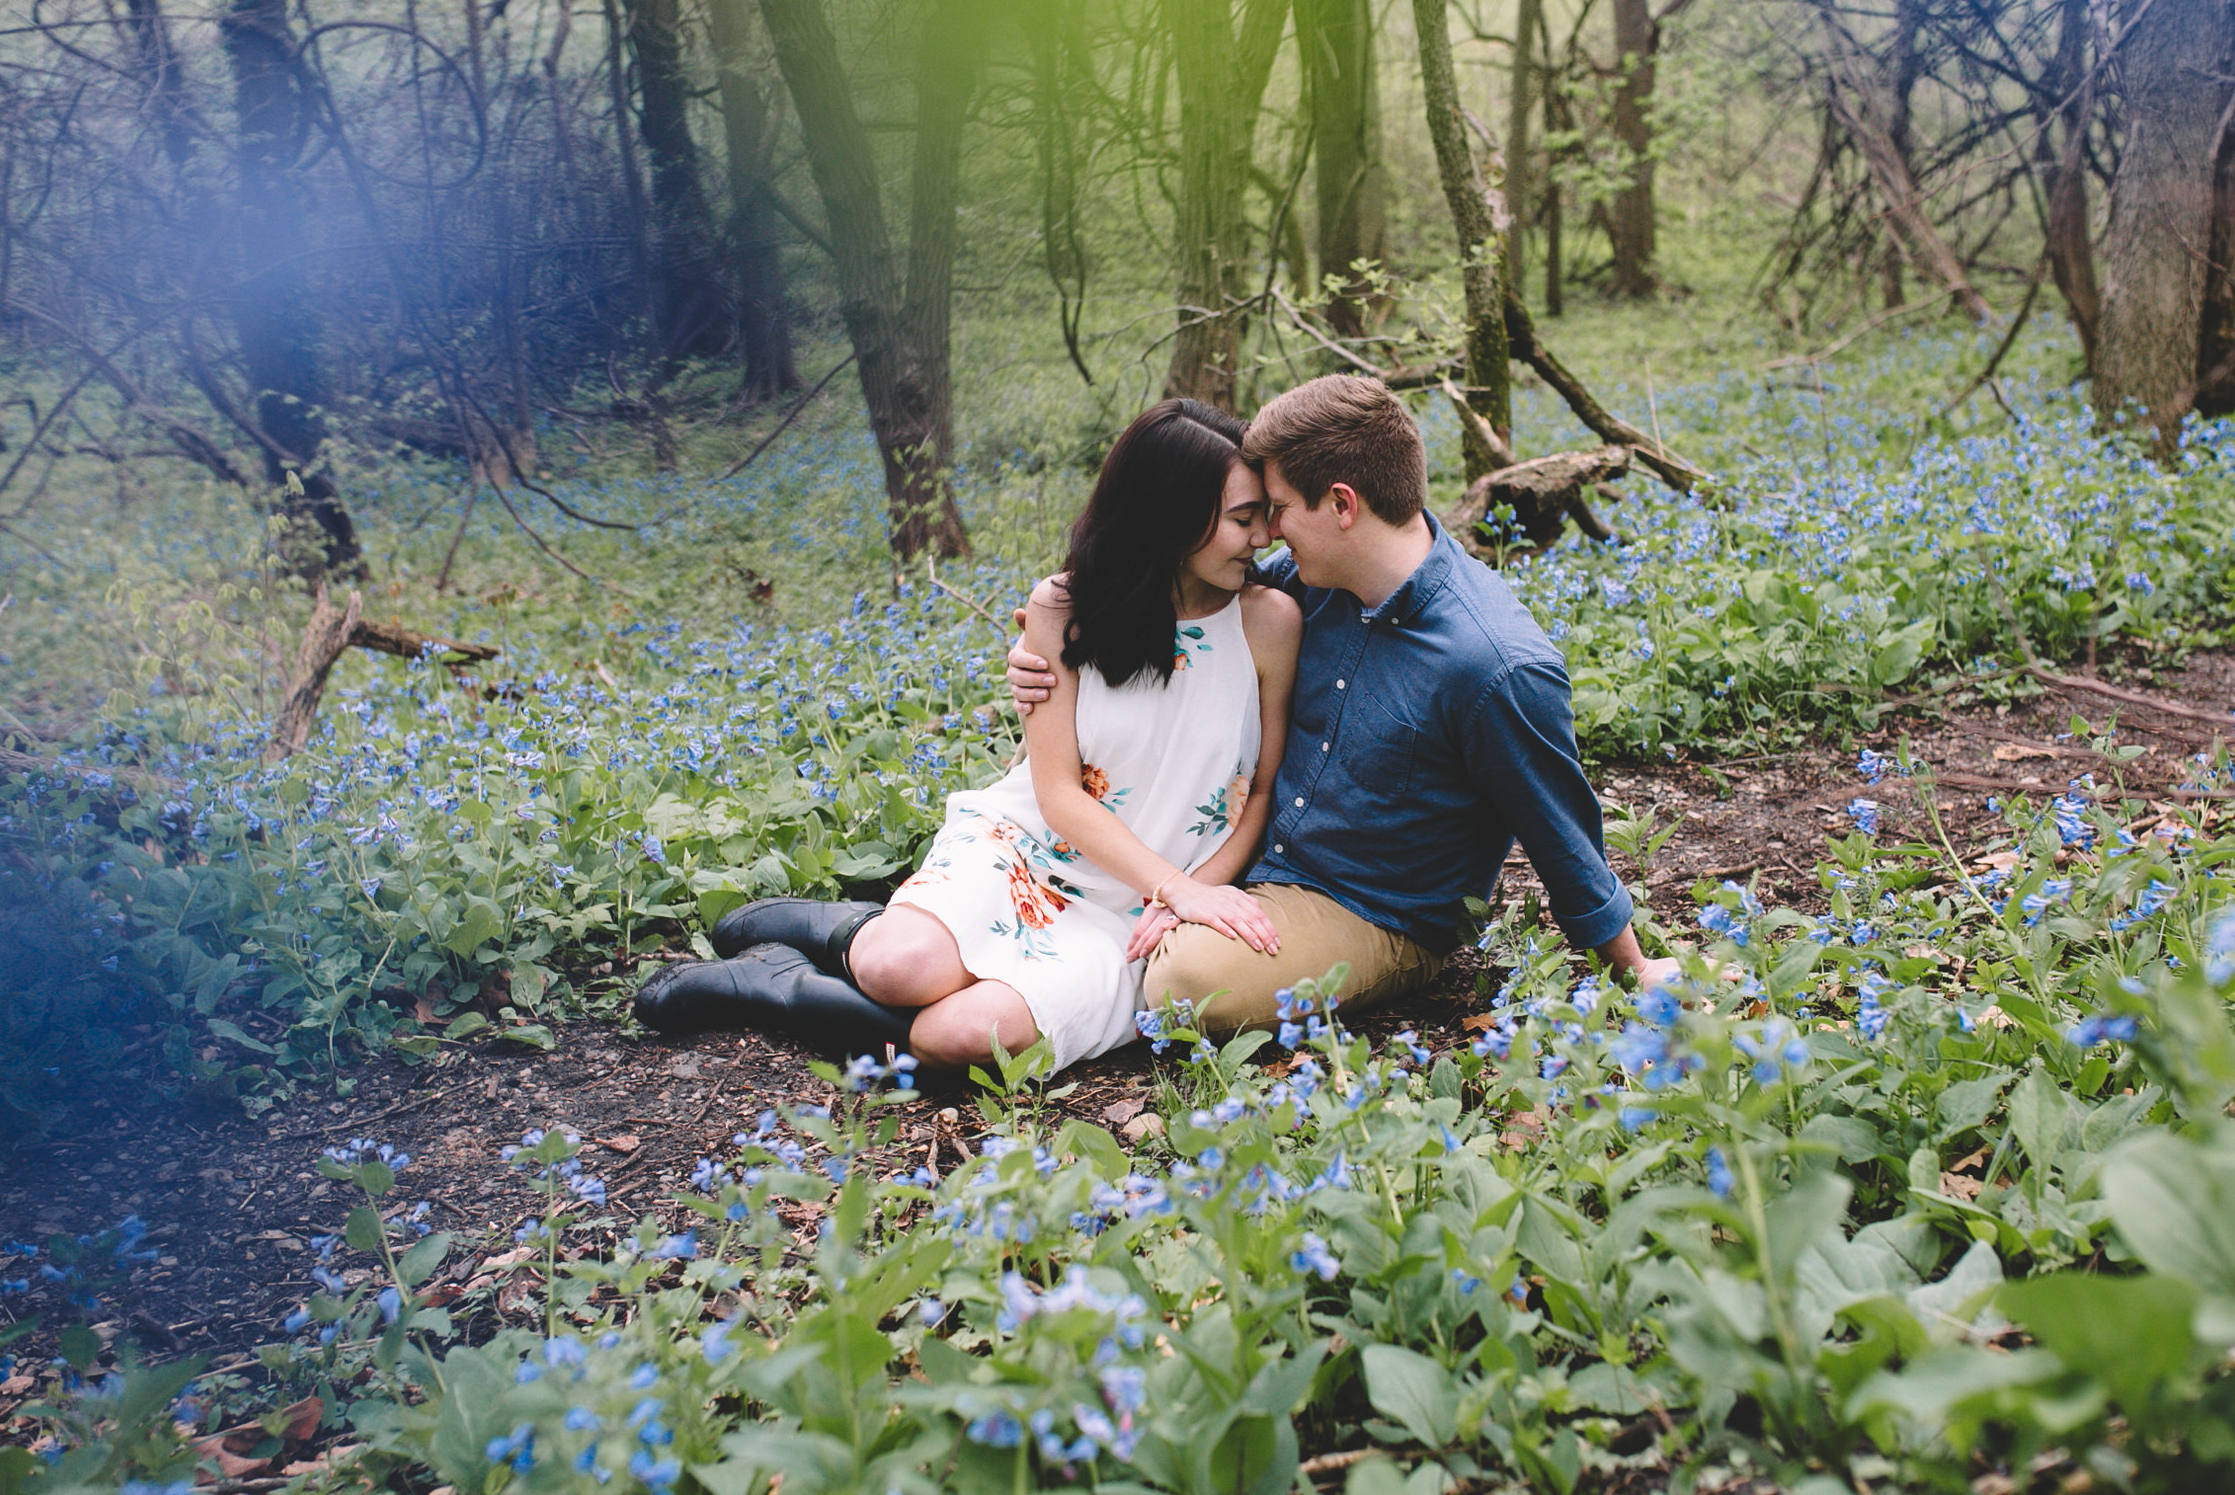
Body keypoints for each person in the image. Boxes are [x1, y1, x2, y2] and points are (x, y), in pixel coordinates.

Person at [634, 399, 1302, 1071]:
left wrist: (1187, 894)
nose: (1263, 539)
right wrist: (1176, 889)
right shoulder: (1065, 607)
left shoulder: (1269, 623)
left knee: (957, 1038)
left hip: (1136, 911)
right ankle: (839, 929)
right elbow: (1059, 794)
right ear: (1171, 515)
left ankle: (779, 988)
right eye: (1243, 520)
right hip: (1031, 848)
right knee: (898, 970)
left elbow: (1260, 792)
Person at [1008, 374, 1663, 1035]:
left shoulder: (1492, 663)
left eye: (1281, 508)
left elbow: (1561, 833)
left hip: (1371, 909)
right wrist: (1045, 654)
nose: (1266, 532)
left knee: (1186, 981)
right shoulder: (1308, 582)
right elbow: (1179, 601)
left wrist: (1632, 967)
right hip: (1251, 854)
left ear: (1342, 504)